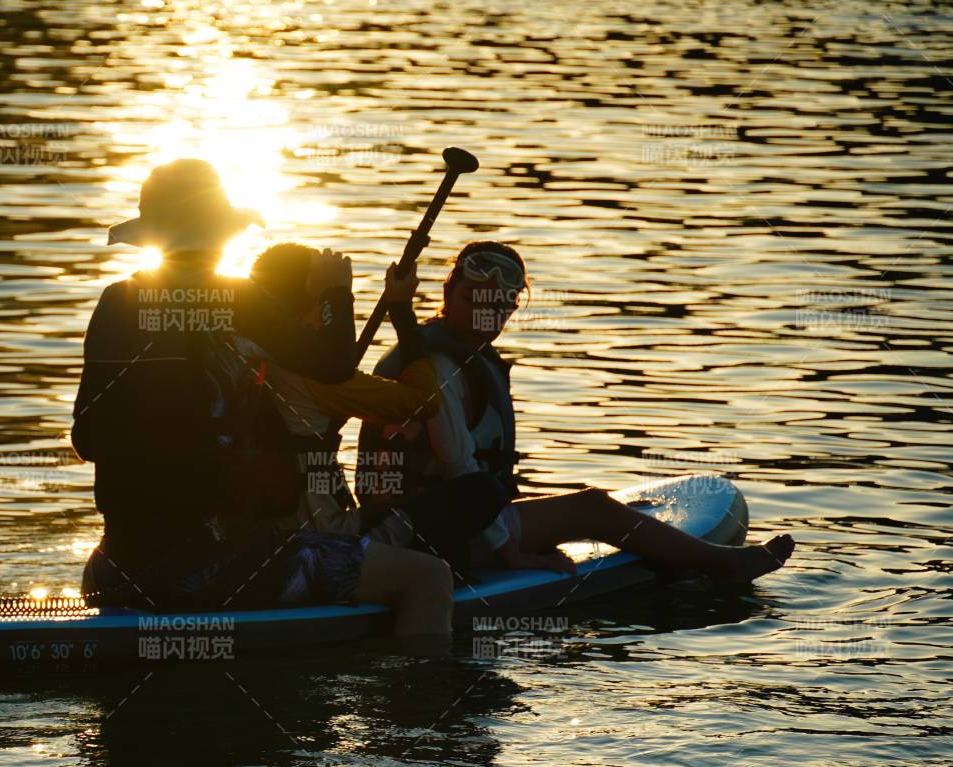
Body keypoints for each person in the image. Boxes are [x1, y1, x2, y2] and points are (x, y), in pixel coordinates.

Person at [70, 159, 453, 643]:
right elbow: (334, 365)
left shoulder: (114, 303)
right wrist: (338, 291)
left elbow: (85, 438)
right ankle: (425, 709)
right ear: (221, 234)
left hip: (115, 569)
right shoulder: (238, 297)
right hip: (224, 567)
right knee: (429, 578)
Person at [361, 241, 796, 583]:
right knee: (592, 509)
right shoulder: (437, 366)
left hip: (446, 521)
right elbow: (460, 469)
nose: (485, 313)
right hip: (427, 533)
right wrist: (510, 554)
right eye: (473, 298)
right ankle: (722, 564)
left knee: (577, 507)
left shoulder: (458, 357)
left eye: (498, 303)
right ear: (448, 295)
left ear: (513, 307)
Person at [242, 241, 510, 570]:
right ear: (316, 303)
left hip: (275, 525)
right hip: (326, 539)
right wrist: (399, 308)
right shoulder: (319, 378)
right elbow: (423, 402)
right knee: (483, 492)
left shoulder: (248, 356)